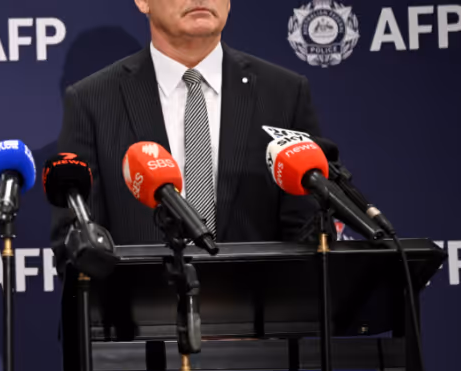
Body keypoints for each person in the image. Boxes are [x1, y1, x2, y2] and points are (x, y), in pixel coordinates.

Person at [52, 0, 325, 249]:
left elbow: (307, 230)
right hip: (145, 287)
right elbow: (78, 240)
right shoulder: (93, 101)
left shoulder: (283, 94)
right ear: (143, 2)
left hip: (262, 288)